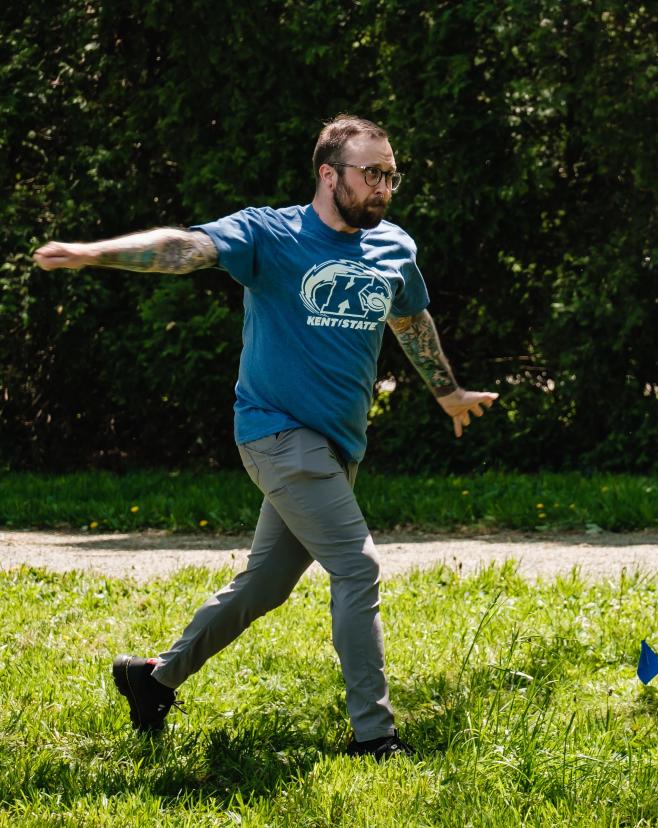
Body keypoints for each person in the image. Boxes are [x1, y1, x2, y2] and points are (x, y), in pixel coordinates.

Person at [33, 114, 497, 760]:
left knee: (266, 584)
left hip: (338, 443)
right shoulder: (269, 234)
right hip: (276, 434)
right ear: (329, 175)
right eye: (372, 174)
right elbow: (186, 249)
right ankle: (375, 734)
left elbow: (410, 317)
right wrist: (94, 254)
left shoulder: (394, 247)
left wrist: (447, 392)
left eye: (391, 174)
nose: (384, 187)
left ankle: (152, 678)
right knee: (356, 568)